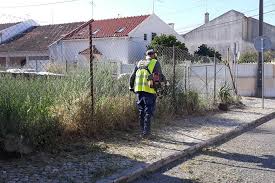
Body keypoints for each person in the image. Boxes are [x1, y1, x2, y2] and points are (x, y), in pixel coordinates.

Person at [129, 49, 166, 138]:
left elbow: (132, 76)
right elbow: (158, 76)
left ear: (146, 55)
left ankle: (142, 131)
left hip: (138, 90)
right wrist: (162, 87)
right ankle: (147, 133)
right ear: (153, 55)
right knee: (148, 111)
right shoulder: (154, 62)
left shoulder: (139, 63)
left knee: (141, 111)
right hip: (149, 91)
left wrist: (131, 87)